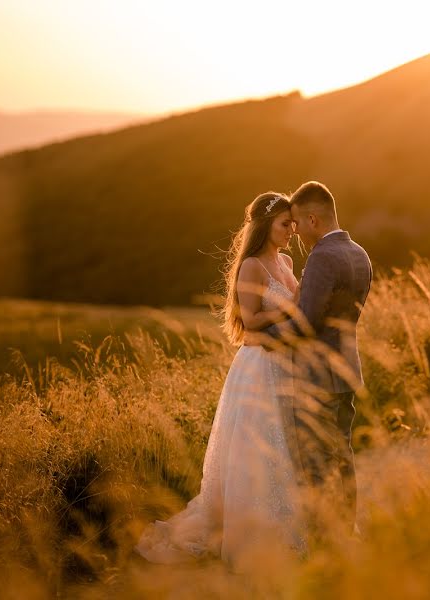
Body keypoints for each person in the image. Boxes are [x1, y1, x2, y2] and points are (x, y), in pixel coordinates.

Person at [134, 192, 305, 566]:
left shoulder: (287, 261)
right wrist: (293, 308)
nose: (291, 231)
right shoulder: (252, 267)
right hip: (259, 366)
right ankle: (245, 531)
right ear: (265, 225)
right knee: (256, 445)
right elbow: (252, 321)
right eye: (284, 224)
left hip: (287, 365)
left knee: (284, 446)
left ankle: (284, 524)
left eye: (293, 223)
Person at [263, 181, 373, 539]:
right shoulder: (360, 253)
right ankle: (342, 535)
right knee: (342, 460)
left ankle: (321, 545)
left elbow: (306, 322)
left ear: (312, 219)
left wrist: (263, 339)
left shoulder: (322, 257)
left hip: (315, 378)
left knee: (313, 465)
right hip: (345, 373)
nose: (295, 233)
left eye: (297, 223)